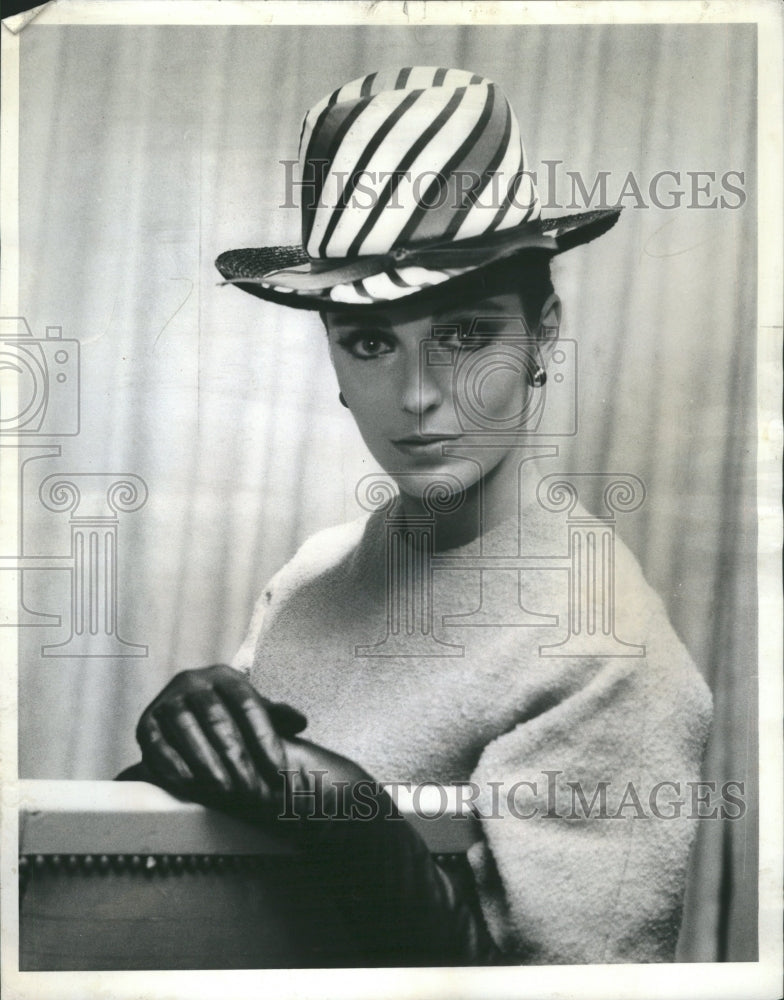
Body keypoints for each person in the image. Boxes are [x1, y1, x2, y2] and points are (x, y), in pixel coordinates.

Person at [122, 66, 713, 965]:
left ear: (544, 333)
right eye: (370, 342)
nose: (419, 395)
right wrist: (170, 761)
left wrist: (353, 822)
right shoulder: (311, 576)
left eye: (466, 333)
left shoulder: (605, 652)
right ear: (333, 358)